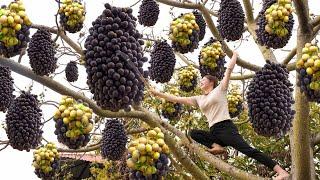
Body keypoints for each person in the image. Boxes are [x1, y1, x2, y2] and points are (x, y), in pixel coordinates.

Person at [149, 51, 289, 180]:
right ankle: (217, 147)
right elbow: (176, 99)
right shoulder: (199, 99)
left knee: (249, 151)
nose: (201, 81)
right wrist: (158, 93)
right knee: (193, 133)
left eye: (203, 79)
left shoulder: (220, 89)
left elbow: (229, 70)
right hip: (214, 131)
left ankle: (281, 172)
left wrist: (234, 55)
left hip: (226, 128)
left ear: (211, 82)